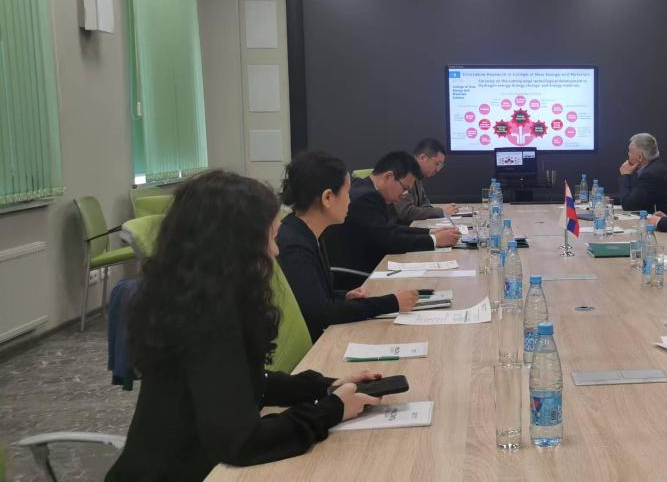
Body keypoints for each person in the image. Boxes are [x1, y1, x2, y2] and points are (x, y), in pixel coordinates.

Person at [106, 170, 382, 482]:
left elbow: (246, 382)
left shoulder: (197, 299)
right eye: (271, 238)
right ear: (236, 246)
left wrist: (325, 387)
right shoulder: (207, 320)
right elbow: (242, 442)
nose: (275, 251)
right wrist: (331, 410)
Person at [276, 151, 421, 341]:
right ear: (328, 198)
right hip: (317, 346)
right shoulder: (294, 244)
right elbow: (320, 312)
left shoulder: (306, 232)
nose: (350, 200)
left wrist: (344, 297)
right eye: (346, 192)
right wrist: (391, 302)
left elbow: (314, 296)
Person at [323, 151, 461, 276]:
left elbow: (388, 229)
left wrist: (430, 232)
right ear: (388, 176)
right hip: (358, 275)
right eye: (405, 188)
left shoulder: (364, 187)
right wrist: (434, 240)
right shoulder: (367, 197)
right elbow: (389, 241)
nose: (405, 194)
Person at [393, 138, 458, 224]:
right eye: (437, 164)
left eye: (440, 166)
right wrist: (440, 211)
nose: (438, 170)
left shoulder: (417, 175)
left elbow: (425, 204)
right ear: (423, 158)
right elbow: (406, 212)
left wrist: (440, 211)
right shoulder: (403, 173)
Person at [617, 132, 667, 214]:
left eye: (630, 152)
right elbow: (633, 196)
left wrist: (625, 175)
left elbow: (628, 206)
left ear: (640, 157)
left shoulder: (651, 174)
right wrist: (612, 199)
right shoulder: (654, 167)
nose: (628, 154)